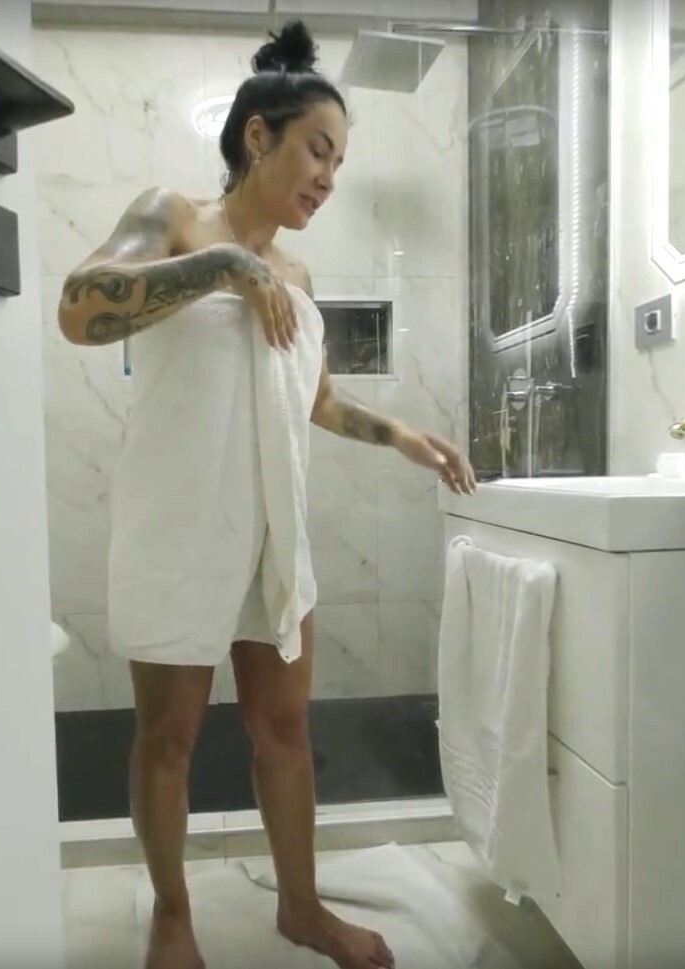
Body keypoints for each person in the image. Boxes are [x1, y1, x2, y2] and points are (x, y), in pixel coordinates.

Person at [57, 19, 477, 969]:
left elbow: (314, 399)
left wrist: (404, 436)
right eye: (318, 150)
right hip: (178, 529)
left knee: (283, 729)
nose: (329, 177)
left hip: (272, 534)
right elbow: (80, 306)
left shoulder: (299, 275)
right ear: (259, 136)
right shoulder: (173, 218)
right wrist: (227, 266)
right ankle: (172, 916)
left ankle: (302, 905)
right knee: (167, 738)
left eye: (339, 162)